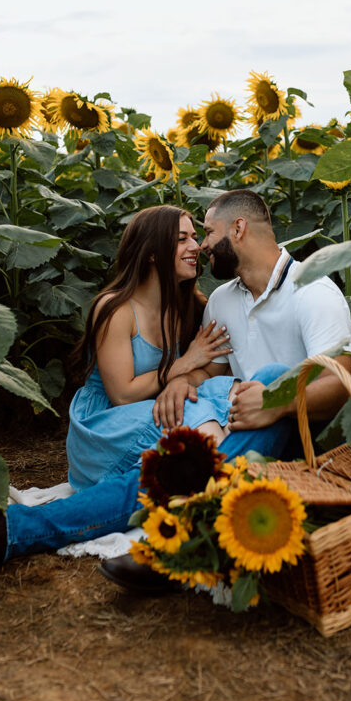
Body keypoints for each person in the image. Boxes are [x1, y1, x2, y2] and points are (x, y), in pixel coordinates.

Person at [0, 189, 351, 585]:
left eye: (207, 234)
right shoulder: (222, 302)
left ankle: (175, 537)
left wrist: (278, 406)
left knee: (268, 380)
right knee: (183, 456)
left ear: (238, 230)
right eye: (190, 238)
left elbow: (340, 385)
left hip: (316, 440)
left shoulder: (312, 290)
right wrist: (182, 382)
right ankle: (171, 541)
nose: (202, 246)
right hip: (247, 434)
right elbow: (213, 373)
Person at [65, 205, 237, 490]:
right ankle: (231, 491)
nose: (196, 246)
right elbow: (122, 394)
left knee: (232, 394)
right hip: (105, 429)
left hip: (156, 410)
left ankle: (234, 479)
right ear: (152, 252)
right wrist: (183, 364)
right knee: (193, 412)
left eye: (195, 237)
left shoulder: (190, 306)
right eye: (182, 239)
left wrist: (183, 379)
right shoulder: (115, 308)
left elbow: (212, 372)